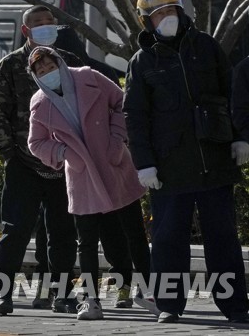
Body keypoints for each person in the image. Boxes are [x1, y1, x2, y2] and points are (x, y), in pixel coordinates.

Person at [123, 0, 249, 324]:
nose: (167, 19)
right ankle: (169, 305)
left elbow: (232, 94)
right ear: (147, 22)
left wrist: (241, 138)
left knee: (223, 238)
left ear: (181, 12)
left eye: (171, 11)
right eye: (159, 14)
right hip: (169, 167)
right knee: (168, 239)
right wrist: (144, 163)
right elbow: (135, 117)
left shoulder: (207, 48)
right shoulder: (142, 62)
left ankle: (236, 307)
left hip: (215, 159)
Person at [27, 46, 154, 320]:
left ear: (60, 63)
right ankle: (92, 301)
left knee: (134, 232)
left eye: (50, 66)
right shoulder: (40, 103)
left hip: (114, 163)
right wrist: (64, 153)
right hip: (81, 175)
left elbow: (122, 102)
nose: (48, 73)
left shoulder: (88, 77)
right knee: (86, 241)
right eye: (41, 71)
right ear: (35, 76)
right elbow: (36, 142)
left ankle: (148, 290)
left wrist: (117, 139)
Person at [0, 5, 79, 314]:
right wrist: (9, 156)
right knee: (16, 232)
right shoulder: (9, 66)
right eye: (38, 23)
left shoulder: (69, 63)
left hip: (64, 165)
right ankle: (3, 294)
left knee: (64, 234)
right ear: (26, 30)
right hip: (24, 164)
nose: (46, 26)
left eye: (50, 21)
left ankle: (61, 294)